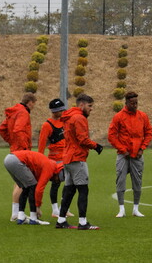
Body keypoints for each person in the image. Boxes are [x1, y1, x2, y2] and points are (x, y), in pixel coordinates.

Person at [56, 93, 104, 230]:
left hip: (67, 157)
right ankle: (83, 222)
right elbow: (82, 139)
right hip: (77, 158)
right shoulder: (79, 118)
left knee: (69, 190)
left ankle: (61, 219)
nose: (91, 109)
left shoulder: (69, 116)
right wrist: (96, 146)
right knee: (83, 189)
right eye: (90, 106)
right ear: (81, 105)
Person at [108, 91, 152, 218]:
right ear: (126, 103)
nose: (135, 105)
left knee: (137, 182)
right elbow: (111, 136)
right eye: (132, 103)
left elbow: (149, 133)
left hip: (137, 155)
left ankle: (135, 208)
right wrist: (123, 150)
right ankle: (121, 209)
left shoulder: (143, 116)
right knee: (120, 180)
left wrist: (142, 149)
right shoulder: (118, 117)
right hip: (123, 155)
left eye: (136, 103)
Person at [0, 92, 37, 221]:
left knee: (18, 182)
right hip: (21, 151)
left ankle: (15, 211)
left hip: (15, 149)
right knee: (23, 183)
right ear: (30, 102)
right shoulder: (23, 113)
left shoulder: (13, 112)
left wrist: (11, 141)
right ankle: (15, 213)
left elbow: (2, 129)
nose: (33, 107)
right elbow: (19, 130)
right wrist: (24, 148)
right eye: (33, 104)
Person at [3, 150, 63, 225]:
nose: (56, 181)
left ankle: (21, 217)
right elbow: (39, 190)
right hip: (16, 160)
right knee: (32, 186)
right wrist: (38, 206)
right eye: (58, 179)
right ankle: (33, 218)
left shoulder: (48, 164)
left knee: (26, 188)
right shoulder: (50, 167)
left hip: (9, 159)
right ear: (58, 173)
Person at [38, 98, 70, 218]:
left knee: (69, 183)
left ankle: (64, 208)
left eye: (63, 109)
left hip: (66, 157)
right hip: (54, 159)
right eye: (59, 110)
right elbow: (41, 144)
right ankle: (55, 210)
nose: (62, 112)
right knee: (56, 183)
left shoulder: (65, 122)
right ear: (54, 111)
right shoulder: (47, 125)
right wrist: (40, 161)